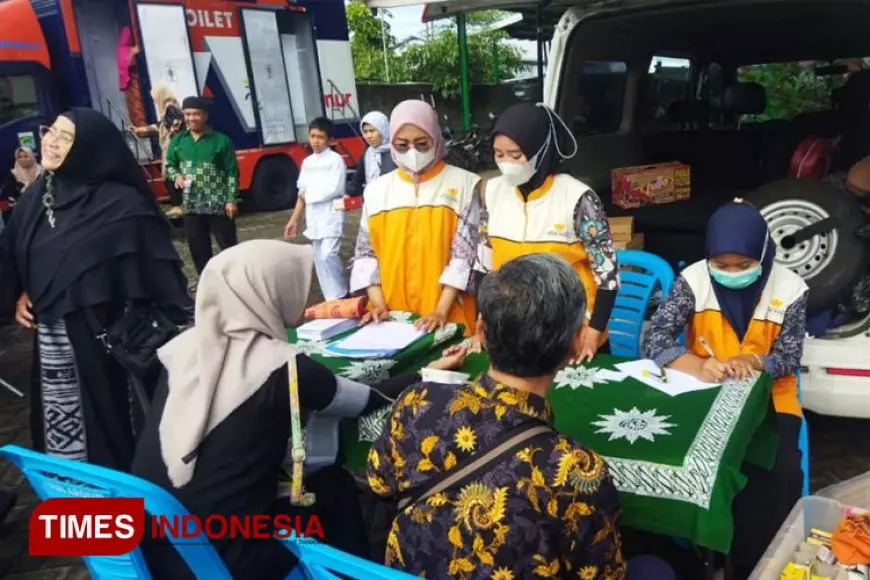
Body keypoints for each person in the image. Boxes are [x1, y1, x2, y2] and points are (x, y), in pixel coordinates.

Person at [131, 239, 468, 580]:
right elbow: (366, 398)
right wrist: (429, 373)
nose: (304, 295)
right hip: (231, 554)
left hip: (158, 543)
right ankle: (353, 572)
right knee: (334, 488)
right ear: (264, 290)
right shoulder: (283, 368)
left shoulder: (178, 351)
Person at [367, 253, 626, 578]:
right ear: (577, 342)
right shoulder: (578, 471)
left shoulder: (416, 402)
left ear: (481, 331)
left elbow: (379, 482)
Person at [0, 109, 191, 471]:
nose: (51, 142)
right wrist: (19, 292)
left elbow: (157, 281)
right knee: (63, 429)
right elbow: (15, 250)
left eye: (65, 137)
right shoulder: (39, 195)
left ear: (89, 148)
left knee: (112, 427)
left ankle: (123, 505)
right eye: (50, 132)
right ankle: (76, 500)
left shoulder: (122, 205)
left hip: (107, 342)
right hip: (53, 343)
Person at [643, 199, 808, 578]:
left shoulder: (792, 289)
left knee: (774, 471)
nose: (731, 273)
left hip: (770, 398)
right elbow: (656, 340)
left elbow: (790, 356)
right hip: (704, 390)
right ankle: (707, 560)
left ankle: (760, 563)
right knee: (687, 461)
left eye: (744, 266)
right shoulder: (695, 280)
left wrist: (755, 361)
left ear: (763, 255)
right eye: (722, 266)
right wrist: (697, 364)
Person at [476, 102, 619, 362]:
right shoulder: (492, 192)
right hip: (514, 332)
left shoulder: (578, 198)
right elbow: (483, 263)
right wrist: (483, 317)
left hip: (572, 332)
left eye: (516, 155)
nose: (506, 163)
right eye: (499, 154)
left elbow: (607, 275)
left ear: (540, 150)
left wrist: (594, 330)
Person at [350, 100, 480, 334]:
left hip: (450, 317)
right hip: (391, 318)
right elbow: (365, 255)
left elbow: (464, 256)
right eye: (402, 145)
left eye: (422, 144)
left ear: (436, 138)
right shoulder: (377, 191)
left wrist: (440, 310)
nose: (413, 152)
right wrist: (378, 304)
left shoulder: (464, 184)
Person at [165, 96, 239, 277]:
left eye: (196, 114)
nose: (191, 118)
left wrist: (231, 200)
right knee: (198, 251)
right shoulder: (178, 142)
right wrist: (177, 176)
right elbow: (170, 165)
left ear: (205, 115)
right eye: (187, 114)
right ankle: (207, 284)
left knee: (228, 247)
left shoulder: (221, 141)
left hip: (218, 205)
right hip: (191, 206)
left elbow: (231, 172)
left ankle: (237, 279)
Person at [283, 118, 348, 301]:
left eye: (321, 137)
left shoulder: (335, 161)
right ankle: (331, 298)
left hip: (331, 214)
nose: (316, 141)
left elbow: (334, 189)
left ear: (329, 140)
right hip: (314, 217)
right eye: (313, 136)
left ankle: (341, 293)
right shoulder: (307, 162)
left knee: (329, 255)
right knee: (319, 259)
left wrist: (308, 195)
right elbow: (301, 192)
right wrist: (294, 219)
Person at [133, 84, 185, 217]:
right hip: (170, 146)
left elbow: (174, 126)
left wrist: (171, 135)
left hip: (172, 147)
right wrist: (142, 130)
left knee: (169, 174)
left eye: (155, 97)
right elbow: (161, 126)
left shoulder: (170, 108)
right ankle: (179, 204)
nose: (155, 100)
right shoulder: (169, 108)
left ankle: (178, 205)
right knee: (169, 175)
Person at [347, 111, 395, 198]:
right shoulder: (367, 154)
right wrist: (348, 193)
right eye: (365, 132)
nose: (368, 136)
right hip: (373, 203)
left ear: (383, 129)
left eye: (372, 131)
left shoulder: (396, 151)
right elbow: (358, 180)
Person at [1, 147, 41, 227]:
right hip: (18, 218)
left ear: (32, 156)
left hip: (40, 216)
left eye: (26, 156)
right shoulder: (13, 175)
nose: (23, 159)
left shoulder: (42, 173)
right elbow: (3, 202)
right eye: (20, 157)